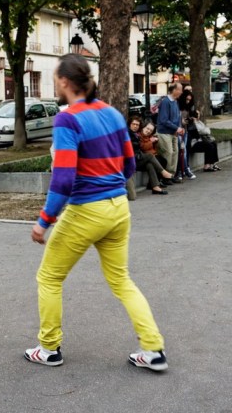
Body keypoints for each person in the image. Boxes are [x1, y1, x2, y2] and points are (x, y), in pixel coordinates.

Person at [26, 53, 167, 371]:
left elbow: (63, 178)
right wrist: (110, 182)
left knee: (49, 277)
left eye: (55, 79)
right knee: (121, 280)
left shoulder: (67, 119)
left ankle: (49, 348)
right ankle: (153, 349)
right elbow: (129, 164)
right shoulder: (113, 114)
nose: (54, 84)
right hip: (118, 208)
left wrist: (44, 221)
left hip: (86, 210)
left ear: (64, 81)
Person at [128, 117, 172, 195]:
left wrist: (154, 142)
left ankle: (155, 187)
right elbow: (141, 147)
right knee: (150, 156)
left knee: (150, 164)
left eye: (137, 125)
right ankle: (163, 172)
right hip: (131, 160)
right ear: (129, 124)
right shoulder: (129, 134)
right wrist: (150, 141)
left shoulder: (135, 134)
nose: (135, 126)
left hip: (137, 158)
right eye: (133, 124)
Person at [156, 82, 184, 184]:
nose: (181, 92)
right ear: (174, 90)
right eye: (180, 89)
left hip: (173, 132)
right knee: (168, 153)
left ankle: (171, 174)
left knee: (175, 153)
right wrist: (177, 128)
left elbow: (177, 117)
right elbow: (164, 120)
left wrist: (179, 128)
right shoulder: (166, 102)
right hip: (164, 132)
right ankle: (165, 176)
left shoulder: (175, 102)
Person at [176, 88, 197, 181]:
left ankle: (182, 170)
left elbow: (192, 117)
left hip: (185, 131)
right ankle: (184, 170)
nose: (188, 101)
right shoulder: (177, 106)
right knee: (181, 152)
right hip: (177, 132)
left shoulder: (188, 108)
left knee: (183, 151)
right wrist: (181, 122)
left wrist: (191, 119)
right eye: (186, 99)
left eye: (189, 100)